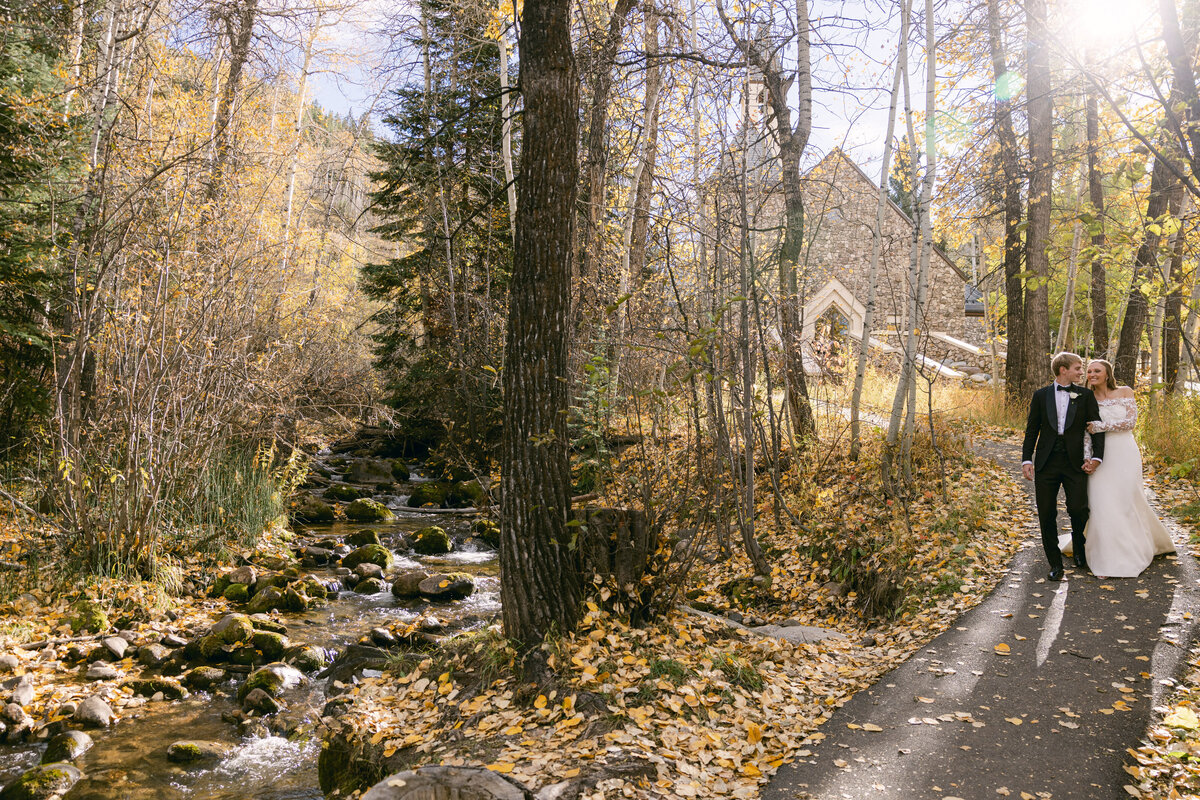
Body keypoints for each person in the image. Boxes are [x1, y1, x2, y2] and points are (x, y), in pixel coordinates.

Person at [1069, 359, 1174, 578]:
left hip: (1125, 452)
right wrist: (1089, 458)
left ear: (1107, 373)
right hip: (1101, 456)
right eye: (1089, 371)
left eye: (1097, 371)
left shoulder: (1125, 391)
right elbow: (1086, 432)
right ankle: (1105, 559)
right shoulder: (1087, 398)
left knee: (1126, 501)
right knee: (1101, 503)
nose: (1092, 374)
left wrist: (1102, 426)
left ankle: (1132, 549)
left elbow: (1130, 422)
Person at [1022, 352, 1105, 582]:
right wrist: (1027, 459)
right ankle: (1055, 563)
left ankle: (1079, 547)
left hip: (1075, 462)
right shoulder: (1041, 395)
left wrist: (1097, 458)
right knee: (1047, 513)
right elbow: (1032, 430)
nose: (1082, 372)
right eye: (1078, 368)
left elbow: (1096, 428)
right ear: (1063, 370)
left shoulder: (1085, 395)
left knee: (1078, 509)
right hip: (1046, 463)